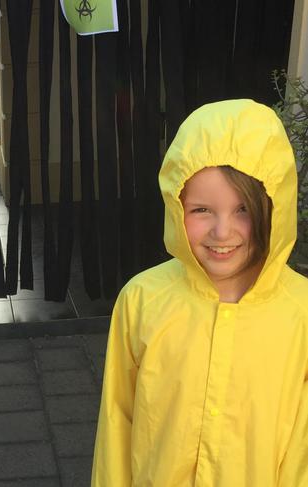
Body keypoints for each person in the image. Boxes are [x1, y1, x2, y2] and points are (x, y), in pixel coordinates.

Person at [91, 99, 308, 486]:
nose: (222, 232)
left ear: (275, 208)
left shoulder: (301, 314)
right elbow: (117, 424)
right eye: (202, 210)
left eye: (243, 209)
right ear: (176, 207)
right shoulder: (141, 300)